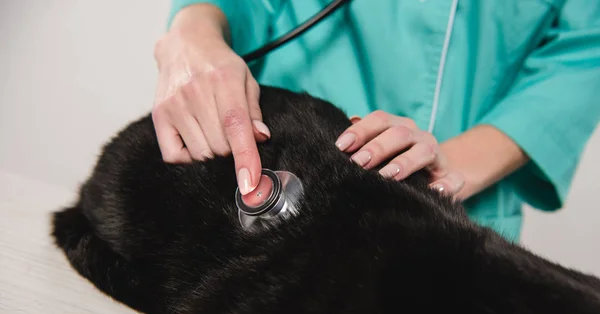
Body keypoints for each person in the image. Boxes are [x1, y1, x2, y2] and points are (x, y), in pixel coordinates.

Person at [152, 0, 600, 242]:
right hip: (273, 170)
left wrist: (444, 171)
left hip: (456, 215)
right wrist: (193, 30)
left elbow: (584, 56)